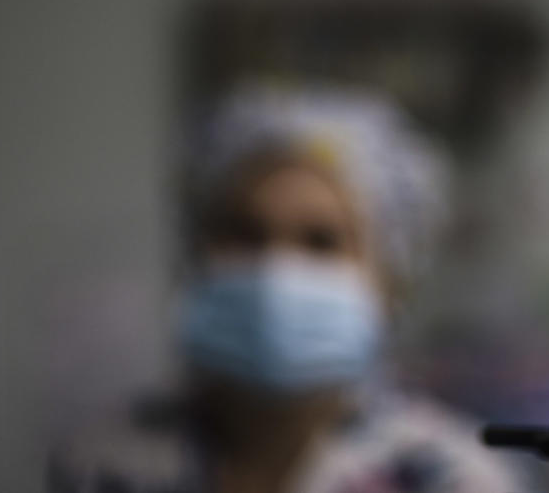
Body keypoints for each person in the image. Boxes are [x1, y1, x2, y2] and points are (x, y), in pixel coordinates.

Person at [48, 82, 523, 493]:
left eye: (321, 242)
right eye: (245, 234)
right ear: (195, 257)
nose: (275, 268)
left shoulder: (451, 479)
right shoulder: (102, 463)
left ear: (389, 282)